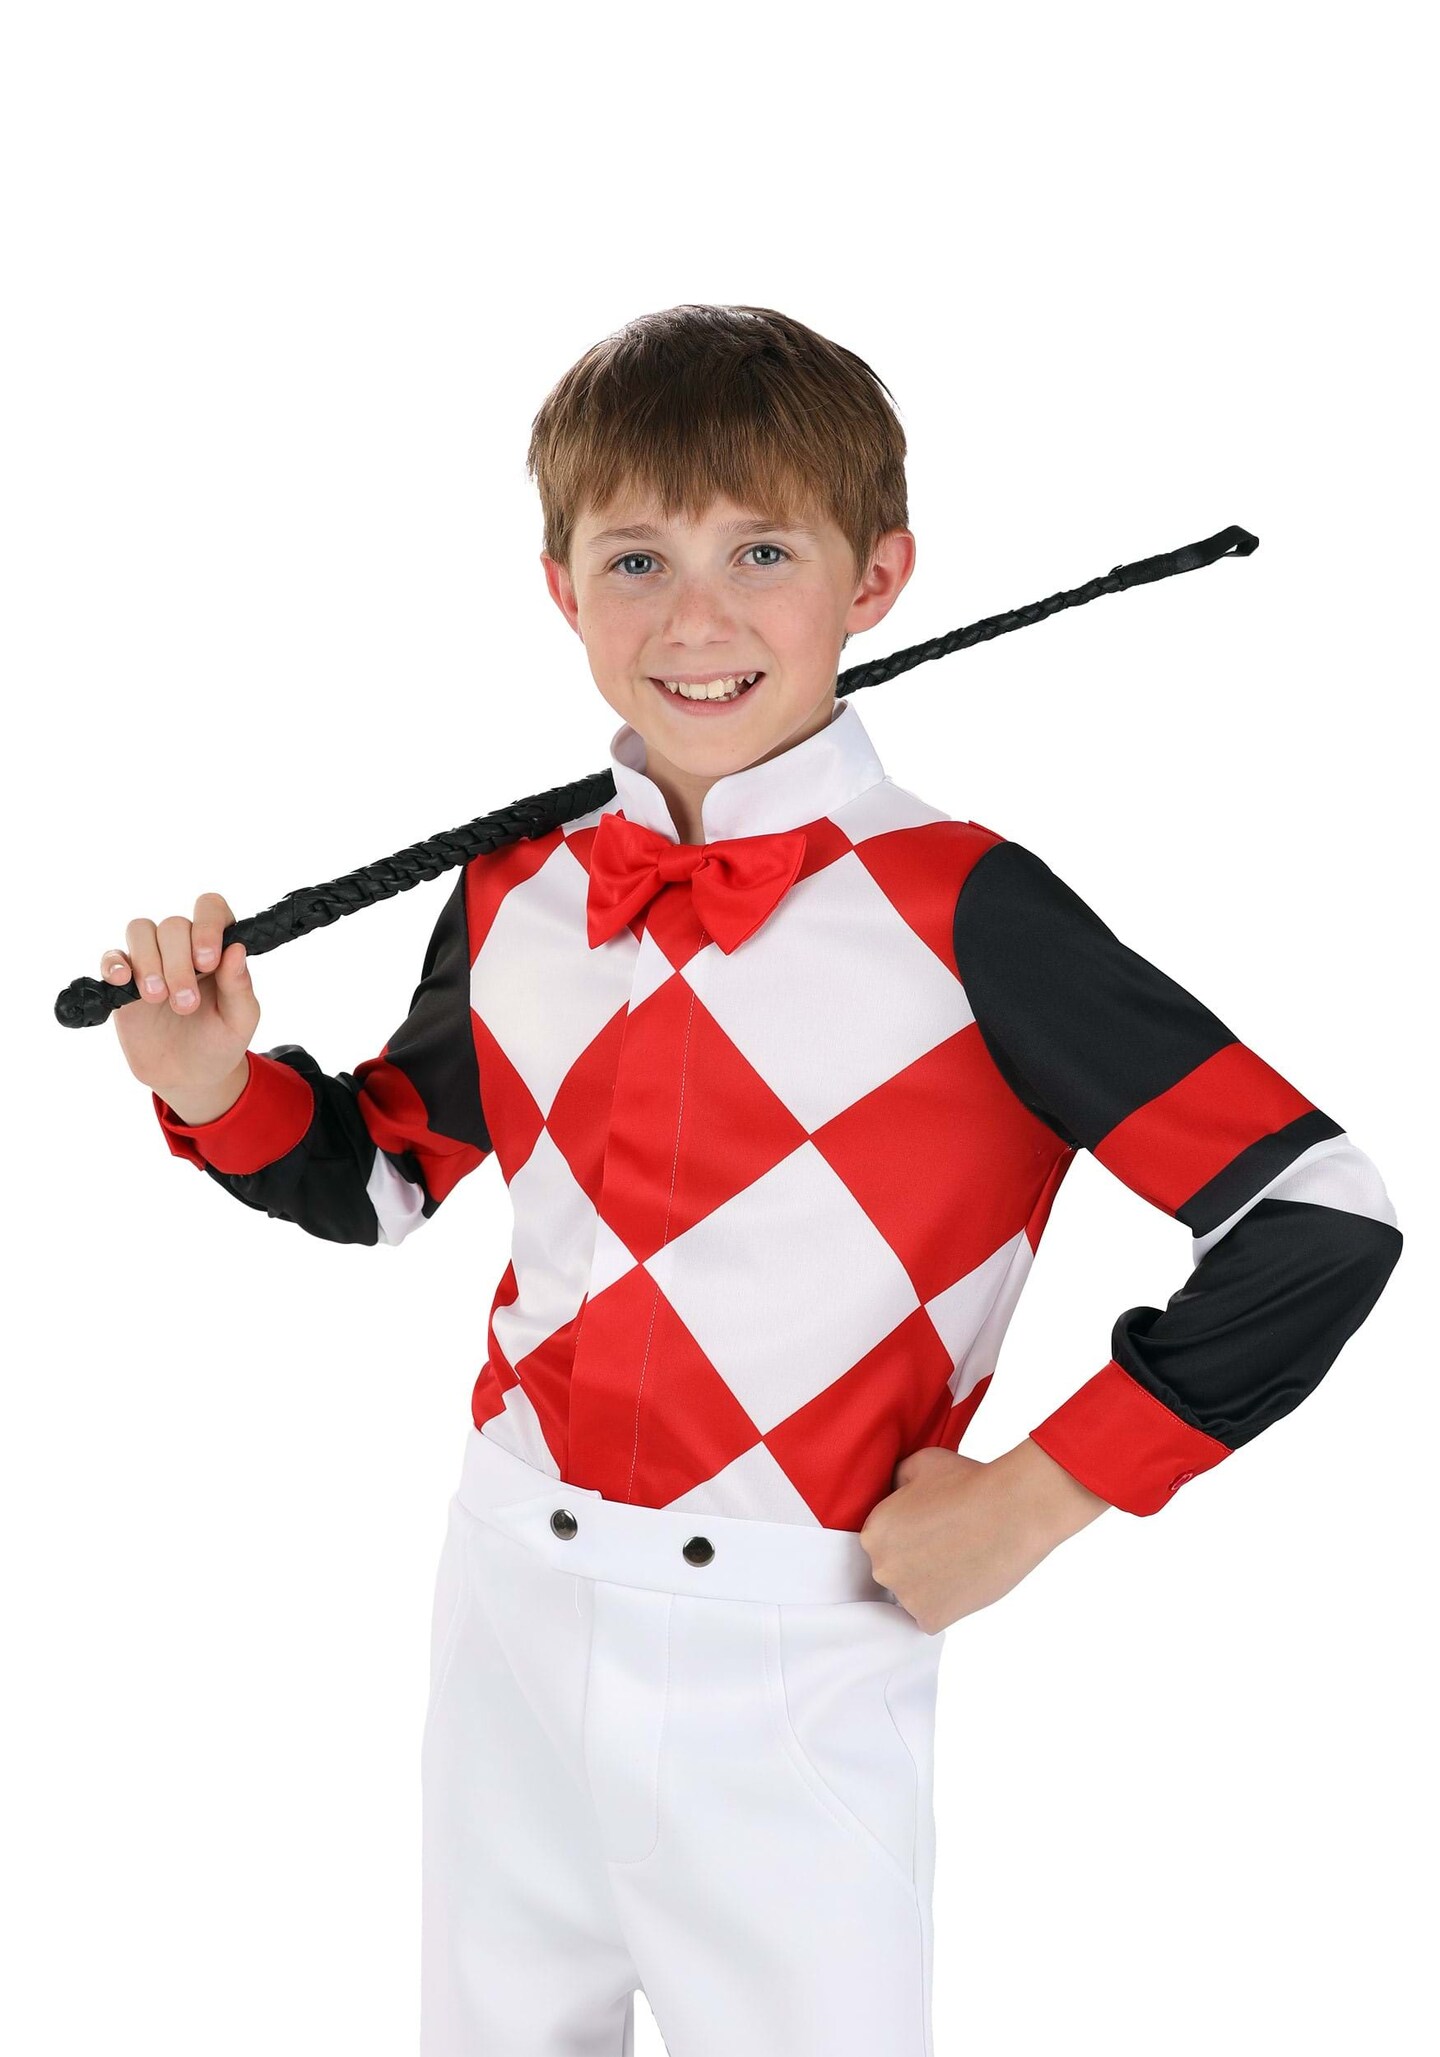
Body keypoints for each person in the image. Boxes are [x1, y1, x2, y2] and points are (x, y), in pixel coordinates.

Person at [100, 304, 1403, 2057]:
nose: (695, 620)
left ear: (879, 578)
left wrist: (1033, 1500)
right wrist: (214, 1083)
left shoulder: (968, 907)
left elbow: (1321, 1214)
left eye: (762, 553)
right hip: (505, 1605)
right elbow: (384, 1179)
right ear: (561, 588)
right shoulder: (517, 886)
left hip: (796, 1651)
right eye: (636, 558)